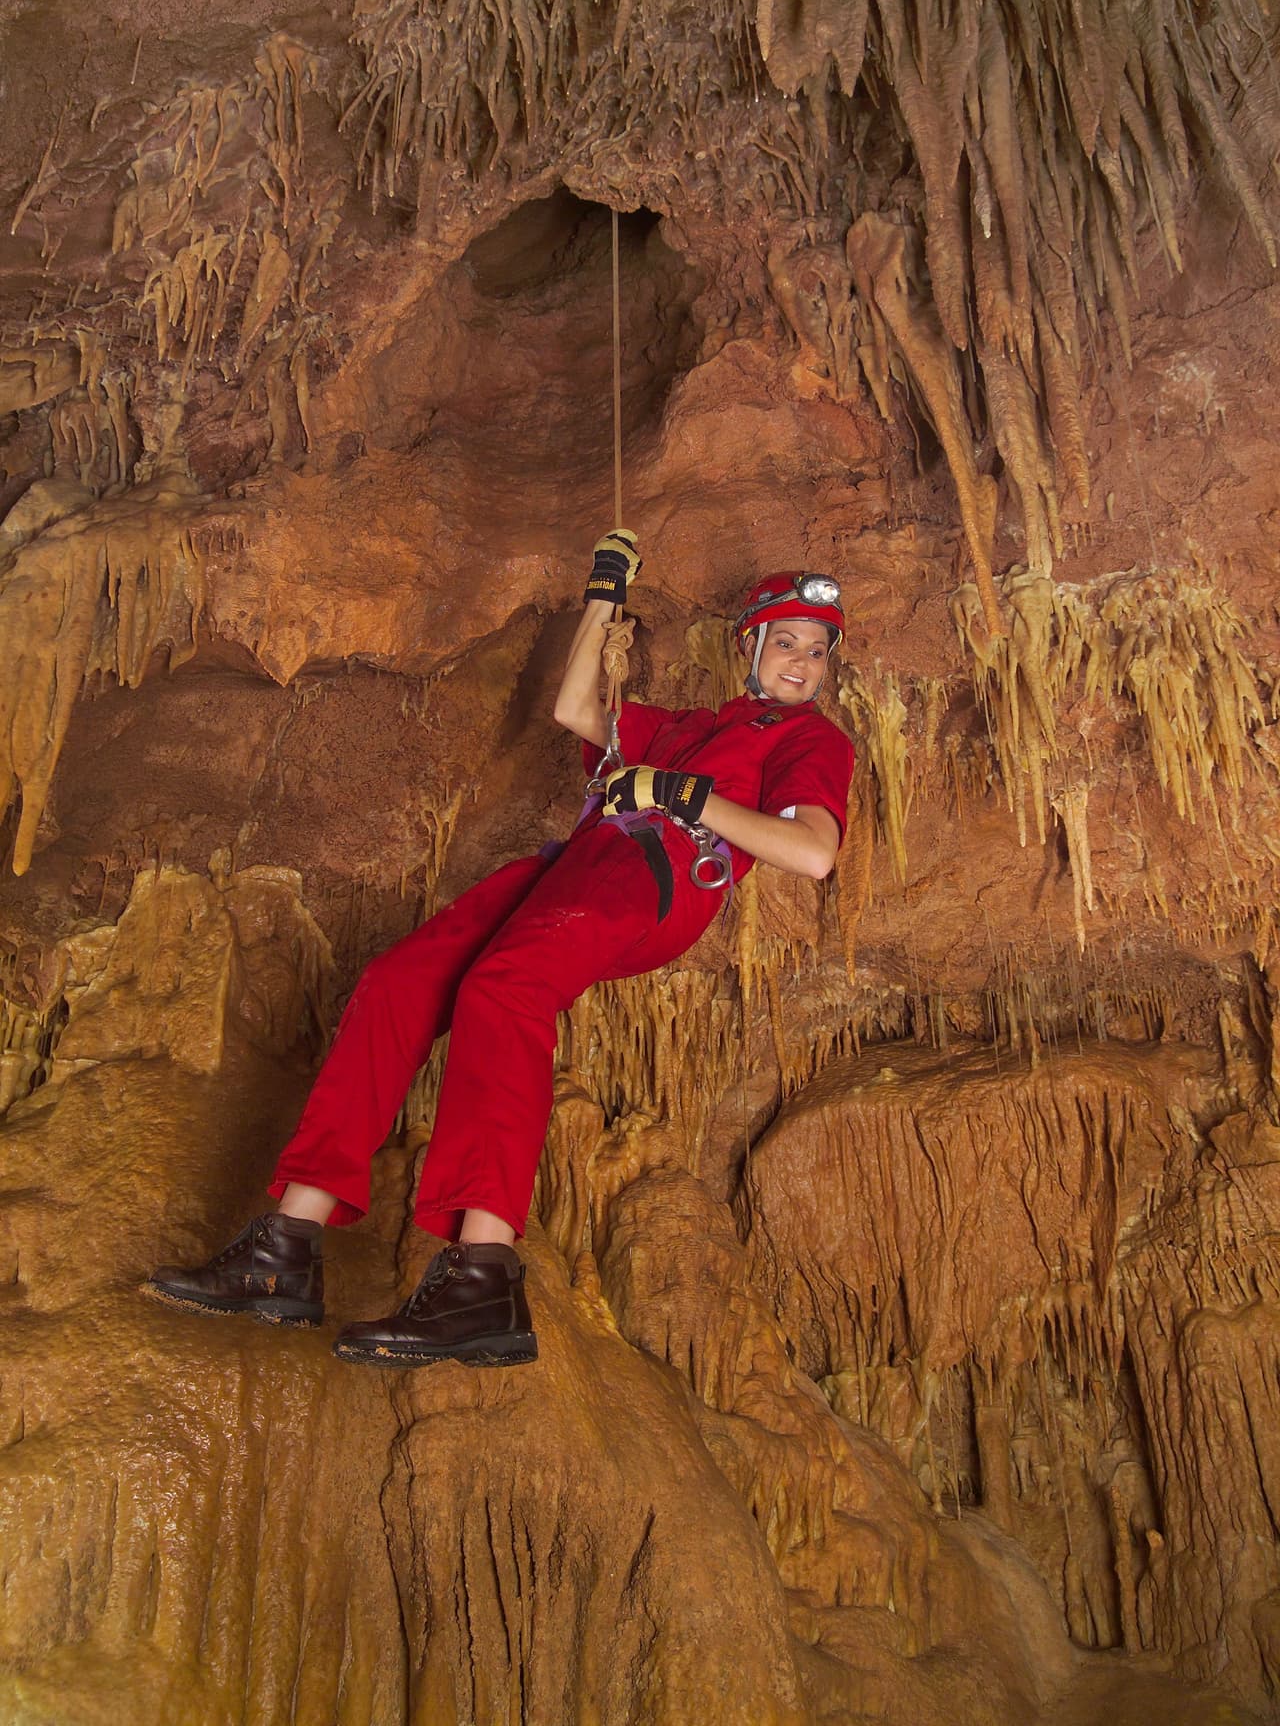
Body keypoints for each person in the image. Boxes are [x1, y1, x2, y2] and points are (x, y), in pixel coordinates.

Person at [145, 533, 855, 1367]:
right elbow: (575, 710)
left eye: (817, 650)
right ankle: (285, 1249)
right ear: (751, 645)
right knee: (398, 982)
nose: (801, 663)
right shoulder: (689, 724)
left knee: (503, 991)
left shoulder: (811, 740)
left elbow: (810, 852)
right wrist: (602, 598)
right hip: (573, 865)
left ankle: (482, 1278)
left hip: (656, 876)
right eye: (786, 642)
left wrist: (676, 791)